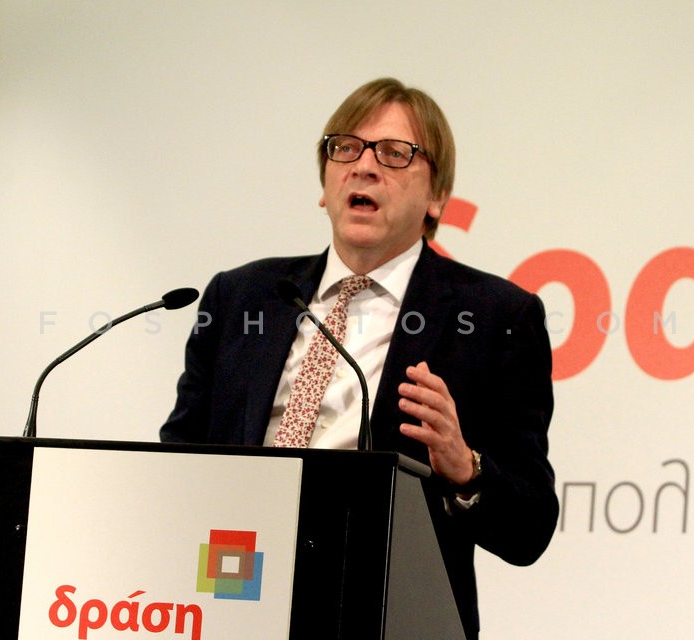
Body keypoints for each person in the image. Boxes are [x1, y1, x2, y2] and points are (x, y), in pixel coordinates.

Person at [161, 77, 557, 639]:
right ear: (325, 185)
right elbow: (177, 464)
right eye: (345, 148)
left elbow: (530, 527)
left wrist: (465, 467)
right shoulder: (241, 297)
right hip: (232, 593)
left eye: (395, 154)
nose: (364, 167)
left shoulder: (497, 316)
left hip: (380, 612)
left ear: (437, 197)